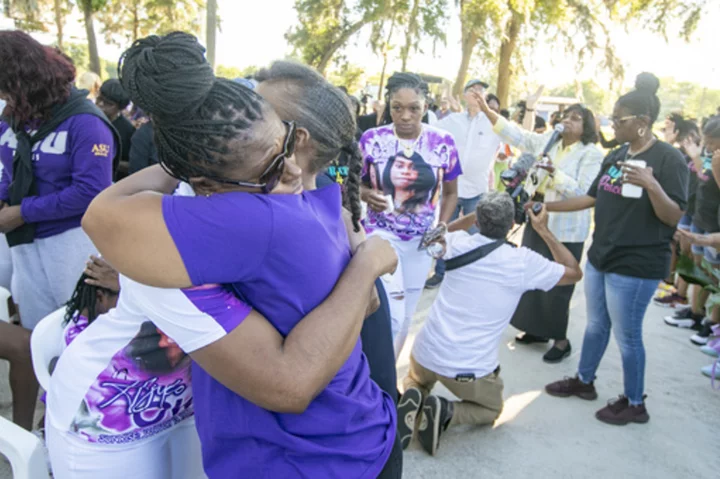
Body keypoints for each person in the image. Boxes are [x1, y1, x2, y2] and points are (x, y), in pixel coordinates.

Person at [81, 33, 400, 478]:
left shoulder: (254, 218)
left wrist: (184, 163)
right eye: (272, 163)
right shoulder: (325, 202)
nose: (287, 169)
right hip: (361, 437)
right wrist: (365, 267)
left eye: (283, 145)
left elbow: (100, 217)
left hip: (300, 461)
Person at [544, 73, 688, 425]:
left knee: (628, 337)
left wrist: (652, 184)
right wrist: (546, 209)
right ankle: (584, 380)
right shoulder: (617, 154)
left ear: (642, 123)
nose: (612, 124)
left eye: (619, 119)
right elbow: (592, 197)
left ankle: (635, 403)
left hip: (636, 264)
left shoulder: (669, 159)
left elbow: (673, 216)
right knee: (595, 326)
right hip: (601, 255)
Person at [255, 61, 398, 403]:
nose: (242, 123)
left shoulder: (288, 232)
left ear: (297, 139)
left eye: (258, 117)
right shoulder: (338, 220)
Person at [397, 194, 583, 455]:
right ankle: (447, 411)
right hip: (466, 371)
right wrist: (542, 229)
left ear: (479, 221)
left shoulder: (456, 241)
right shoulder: (523, 263)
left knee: (416, 379)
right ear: (511, 225)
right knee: (491, 409)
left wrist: (476, 216)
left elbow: (437, 233)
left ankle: (413, 394)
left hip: (426, 352)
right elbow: (573, 271)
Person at [0, 31, 118, 333]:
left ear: (23, 82)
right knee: (37, 331)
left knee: (77, 329)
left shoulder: (85, 122)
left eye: (6, 91)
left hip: (70, 241)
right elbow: (10, 171)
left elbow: (90, 192)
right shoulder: (14, 117)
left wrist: (22, 212)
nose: (3, 99)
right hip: (24, 242)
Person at [47, 258, 207, 479]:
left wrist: (128, 285)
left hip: (184, 409)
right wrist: (131, 284)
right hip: (108, 430)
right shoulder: (86, 332)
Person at [475, 89, 603, 363]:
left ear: (587, 127)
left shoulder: (591, 154)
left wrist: (553, 173)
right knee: (532, 275)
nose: (568, 121)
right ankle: (535, 330)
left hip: (564, 227)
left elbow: (583, 192)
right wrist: (487, 111)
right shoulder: (550, 141)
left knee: (558, 284)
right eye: (566, 116)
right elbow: (518, 136)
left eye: (576, 119)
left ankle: (561, 340)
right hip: (537, 217)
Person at [360, 72, 461, 357]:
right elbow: (354, 184)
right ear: (388, 106)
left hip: (422, 242)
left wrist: (442, 226)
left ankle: (387, 375)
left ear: (426, 106)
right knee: (391, 313)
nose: (405, 116)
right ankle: (374, 373)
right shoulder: (371, 139)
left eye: (413, 108)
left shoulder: (443, 142)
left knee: (406, 318)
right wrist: (367, 195)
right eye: (397, 107)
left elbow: (451, 193)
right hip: (380, 236)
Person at [425, 79, 501, 289]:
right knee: (444, 230)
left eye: (481, 90)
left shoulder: (493, 123)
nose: (477, 93)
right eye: (473, 89)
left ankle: (473, 275)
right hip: (452, 190)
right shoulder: (453, 120)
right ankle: (440, 272)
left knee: (476, 236)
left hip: (478, 191)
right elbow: (429, 130)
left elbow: (519, 135)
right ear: (465, 95)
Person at [666, 118, 720, 346]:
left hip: (712, 225)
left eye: (712, 142)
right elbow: (702, 175)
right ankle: (697, 314)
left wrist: (704, 161)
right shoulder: (711, 156)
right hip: (701, 217)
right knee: (701, 270)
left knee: (712, 277)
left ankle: (709, 324)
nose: (708, 146)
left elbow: (708, 177)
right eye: (706, 142)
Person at [96, 79, 136, 179]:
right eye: (99, 99)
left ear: (121, 107)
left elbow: (132, 165)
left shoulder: (128, 131)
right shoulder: (89, 120)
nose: (100, 104)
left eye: (108, 103)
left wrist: (107, 160)